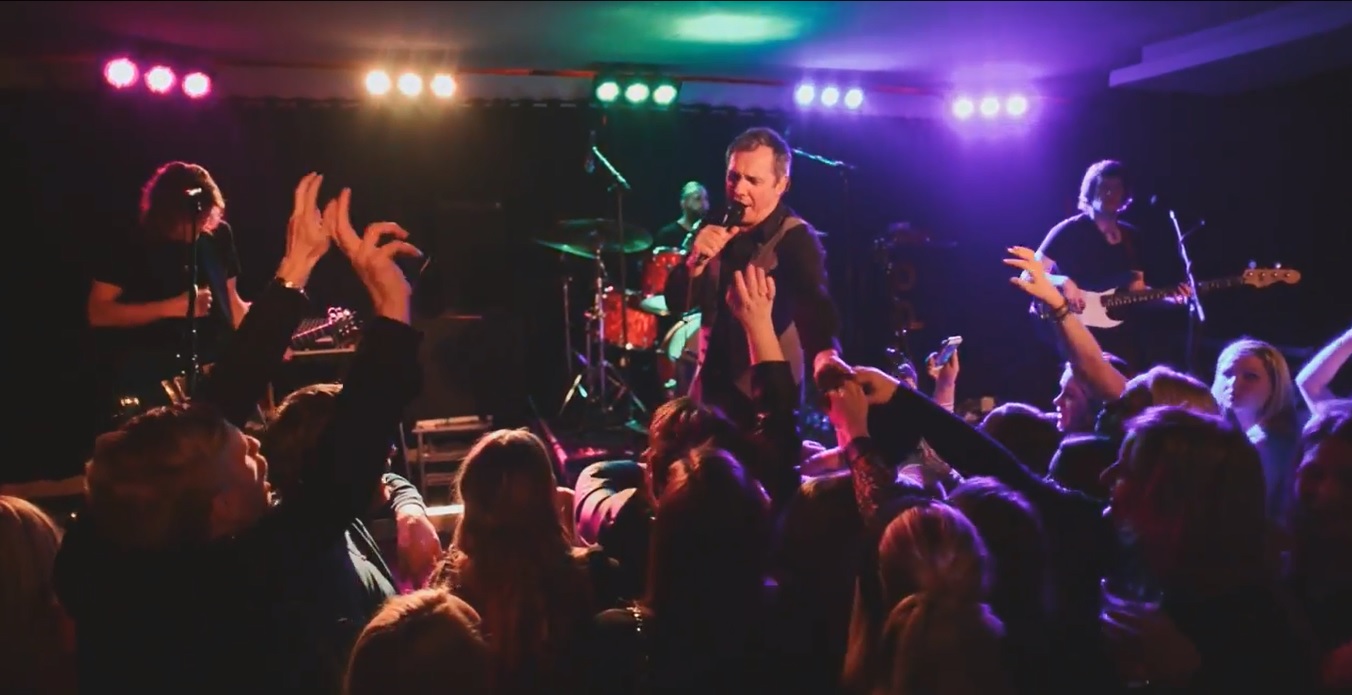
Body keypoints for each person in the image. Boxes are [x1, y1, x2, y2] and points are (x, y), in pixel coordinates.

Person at [663, 127, 842, 427]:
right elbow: (676, 303)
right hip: (710, 386)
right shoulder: (714, 223)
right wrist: (695, 262)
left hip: (765, 393)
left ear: (781, 184)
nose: (739, 189)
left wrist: (827, 356)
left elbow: (816, 307)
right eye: (733, 177)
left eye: (753, 180)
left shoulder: (796, 238)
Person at [87, 162, 251, 423]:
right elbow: (98, 312)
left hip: (212, 378)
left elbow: (231, 300)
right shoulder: (130, 240)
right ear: (168, 214)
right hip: (150, 383)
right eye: (194, 218)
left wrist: (266, 338)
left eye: (206, 216)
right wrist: (172, 307)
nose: (202, 224)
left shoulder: (218, 235)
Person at [1033, 160, 1186, 367]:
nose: (1110, 194)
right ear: (1090, 191)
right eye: (1104, 187)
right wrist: (1063, 282)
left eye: (1117, 188)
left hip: (1121, 339)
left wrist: (1169, 298)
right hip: (1076, 332)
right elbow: (1030, 274)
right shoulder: (1068, 231)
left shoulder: (1132, 236)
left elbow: (1137, 292)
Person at [653, 181, 710, 250]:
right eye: (698, 199)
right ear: (683, 203)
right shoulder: (667, 234)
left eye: (706, 199)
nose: (704, 204)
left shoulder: (710, 233)